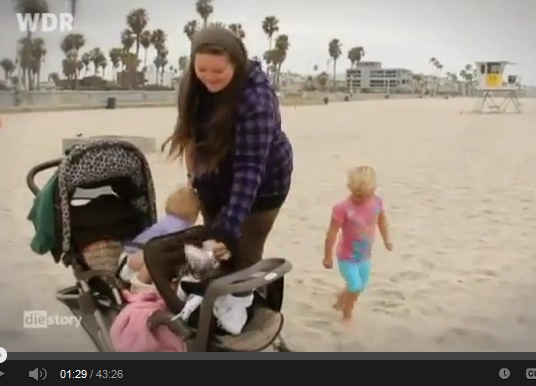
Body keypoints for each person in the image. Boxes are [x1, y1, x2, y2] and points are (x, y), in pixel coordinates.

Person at [161, 26, 293, 268]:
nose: (209, 77)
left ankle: (256, 302)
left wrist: (229, 228)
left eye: (218, 70)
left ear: (236, 64)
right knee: (215, 251)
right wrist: (194, 180)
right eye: (202, 69)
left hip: (261, 188)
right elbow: (192, 138)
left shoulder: (256, 100)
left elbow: (250, 171)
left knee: (243, 257)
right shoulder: (193, 87)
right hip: (215, 180)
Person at [322, 166, 393, 322]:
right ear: (350, 189)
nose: (362, 199)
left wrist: (386, 239)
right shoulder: (342, 208)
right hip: (346, 257)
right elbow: (332, 233)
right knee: (355, 286)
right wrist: (328, 256)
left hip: (364, 257)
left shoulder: (376, 202)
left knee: (361, 285)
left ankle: (340, 301)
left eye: (366, 195)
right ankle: (347, 315)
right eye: (357, 195)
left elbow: (381, 220)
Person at [119, 186, 200, 293]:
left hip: (127, 258)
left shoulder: (167, 221)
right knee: (155, 259)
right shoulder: (180, 227)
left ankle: (142, 286)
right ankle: (139, 287)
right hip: (135, 262)